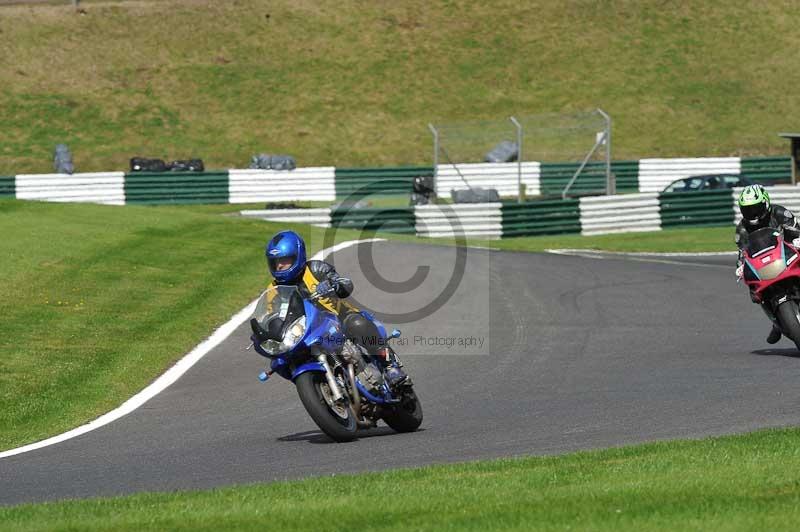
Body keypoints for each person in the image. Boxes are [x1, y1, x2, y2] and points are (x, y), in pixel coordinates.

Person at [264, 230, 409, 386]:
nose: (279, 266)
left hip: (339, 318)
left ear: (298, 256)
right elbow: (273, 316)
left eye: (284, 260)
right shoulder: (273, 290)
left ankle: (390, 366)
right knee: (285, 359)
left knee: (357, 324)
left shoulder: (315, 269)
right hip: (305, 333)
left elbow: (343, 283)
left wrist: (334, 283)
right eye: (275, 262)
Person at [735, 184, 800, 344]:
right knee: (753, 290)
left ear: (765, 203)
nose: (753, 214)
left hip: (786, 253)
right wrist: (740, 266)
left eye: (756, 208)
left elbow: (797, 228)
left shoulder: (779, 212)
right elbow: (742, 251)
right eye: (748, 210)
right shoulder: (742, 228)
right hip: (764, 264)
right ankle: (776, 322)